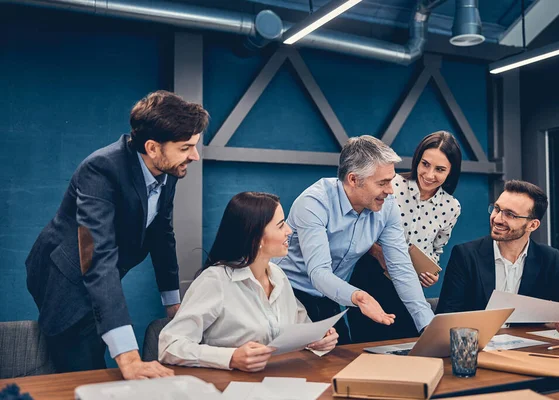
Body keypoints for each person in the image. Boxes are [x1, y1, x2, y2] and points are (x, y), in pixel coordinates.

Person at [25, 91, 209, 378]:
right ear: (152, 147)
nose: (195, 156)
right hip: (65, 277)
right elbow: (97, 255)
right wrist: (129, 357)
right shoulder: (100, 170)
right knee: (85, 369)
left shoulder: (168, 167)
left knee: (102, 337)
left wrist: (173, 304)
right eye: (186, 147)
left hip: (102, 270)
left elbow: (161, 233)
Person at [277, 135, 435, 344]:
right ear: (353, 179)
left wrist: (427, 325)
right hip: (289, 295)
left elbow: (401, 268)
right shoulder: (314, 203)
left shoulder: (387, 207)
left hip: (332, 297)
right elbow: (318, 272)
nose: (390, 190)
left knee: (341, 359)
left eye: (391, 181)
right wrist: (360, 297)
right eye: (383, 183)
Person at [158, 192, 338, 371]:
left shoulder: (278, 276)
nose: (289, 231)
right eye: (281, 225)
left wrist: (319, 339)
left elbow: (301, 329)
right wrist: (230, 358)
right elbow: (169, 346)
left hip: (278, 383)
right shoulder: (215, 281)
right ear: (257, 237)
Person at [437, 180, 559, 342]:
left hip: (526, 352)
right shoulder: (465, 255)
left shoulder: (547, 258)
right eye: (497, 209)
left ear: (532, 225)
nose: (497, 219)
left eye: (510, 214)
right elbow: (445, 317)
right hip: (477, 351)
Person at [349, 131, 462, 342]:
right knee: (366, 346)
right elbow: (357, 228)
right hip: (371, 276)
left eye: (440, 169)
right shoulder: (390, 185)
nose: (429, 174)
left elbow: (437, 248)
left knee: (408, 347)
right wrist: (378, 252)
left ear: (451, 171)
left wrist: (431, 272)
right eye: (425, 164)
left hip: (411, 285)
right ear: (417, 161)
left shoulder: (451, 207)